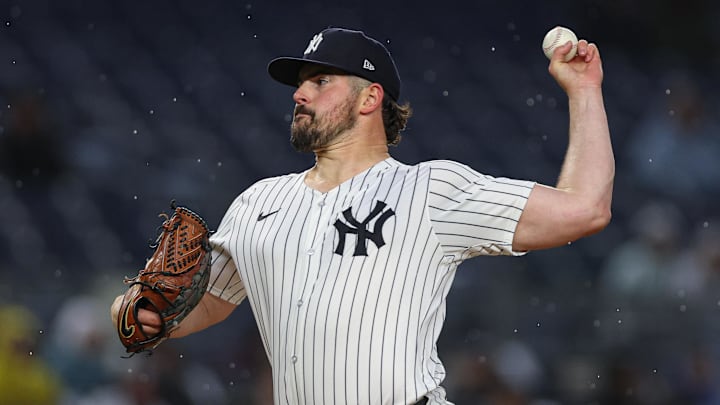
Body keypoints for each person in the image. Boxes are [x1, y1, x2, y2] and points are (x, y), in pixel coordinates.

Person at [111, 27, 613, 404]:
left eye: (320, 80)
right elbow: (203, 304)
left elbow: (585, 208)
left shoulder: (430, 189)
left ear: (371, 97)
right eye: (301, 82)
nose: (299, 93)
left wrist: (584, 91)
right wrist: (139, 313)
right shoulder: (258, 202)